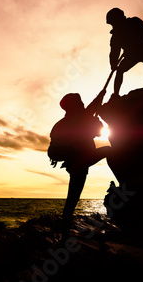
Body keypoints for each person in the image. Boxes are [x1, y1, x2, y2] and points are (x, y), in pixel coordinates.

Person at [48, 91, 111, 235]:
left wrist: (101, 95)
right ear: (73, 106)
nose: (83, 105)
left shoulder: (72, 119)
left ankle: (65, 224)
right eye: (80, 103)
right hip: (78, 161)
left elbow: (93, 107)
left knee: (73, 196)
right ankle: (65, 225)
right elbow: (95, 127)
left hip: (77, 161)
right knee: (108, 149)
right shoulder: (74, 120)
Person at [106, 7, 143, 98]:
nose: (113, 26)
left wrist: (139, 41)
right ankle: (116, 95)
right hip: (130, 56)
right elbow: (114, 51)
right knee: (120, 70)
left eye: (113, 23)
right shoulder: (116, 36)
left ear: (118, 19)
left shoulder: (134, 22)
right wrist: (113, 63)